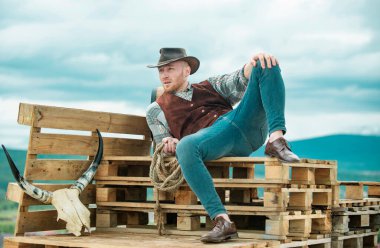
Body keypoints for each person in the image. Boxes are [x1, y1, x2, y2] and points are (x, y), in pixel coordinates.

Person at [146, 48, 300, 243]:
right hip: (215, 140)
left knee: (265, 63)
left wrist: (251, 65)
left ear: (187, 71)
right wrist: (169, 141)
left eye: (170, 69)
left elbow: (238, 79)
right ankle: (222, 221)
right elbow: (162, 147)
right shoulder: (155, 110)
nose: (164, 75)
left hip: (245, 124)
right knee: (185, 145)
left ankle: (276, 138)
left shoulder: (210, 85)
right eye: (161, 71)